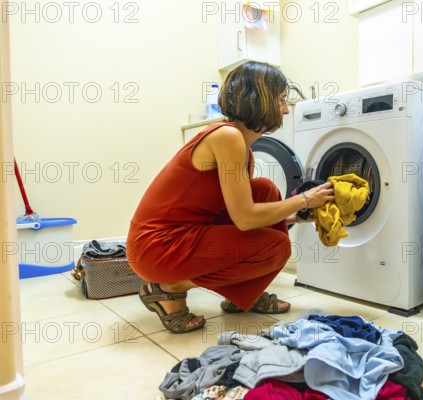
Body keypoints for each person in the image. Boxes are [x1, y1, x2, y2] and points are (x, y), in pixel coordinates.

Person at [126, 61, 335, 334]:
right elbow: (246, 219)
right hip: (155, 247)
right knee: (277, 247)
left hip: (182, 236)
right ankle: (168, 289)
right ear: (261, 100)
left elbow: (237, 211)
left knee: (265, 190)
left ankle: (243, 294)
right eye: (282, 100)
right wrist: (305, 199)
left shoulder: (241, 146)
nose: (285, 109)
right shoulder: (227, 137)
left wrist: (300, 215)